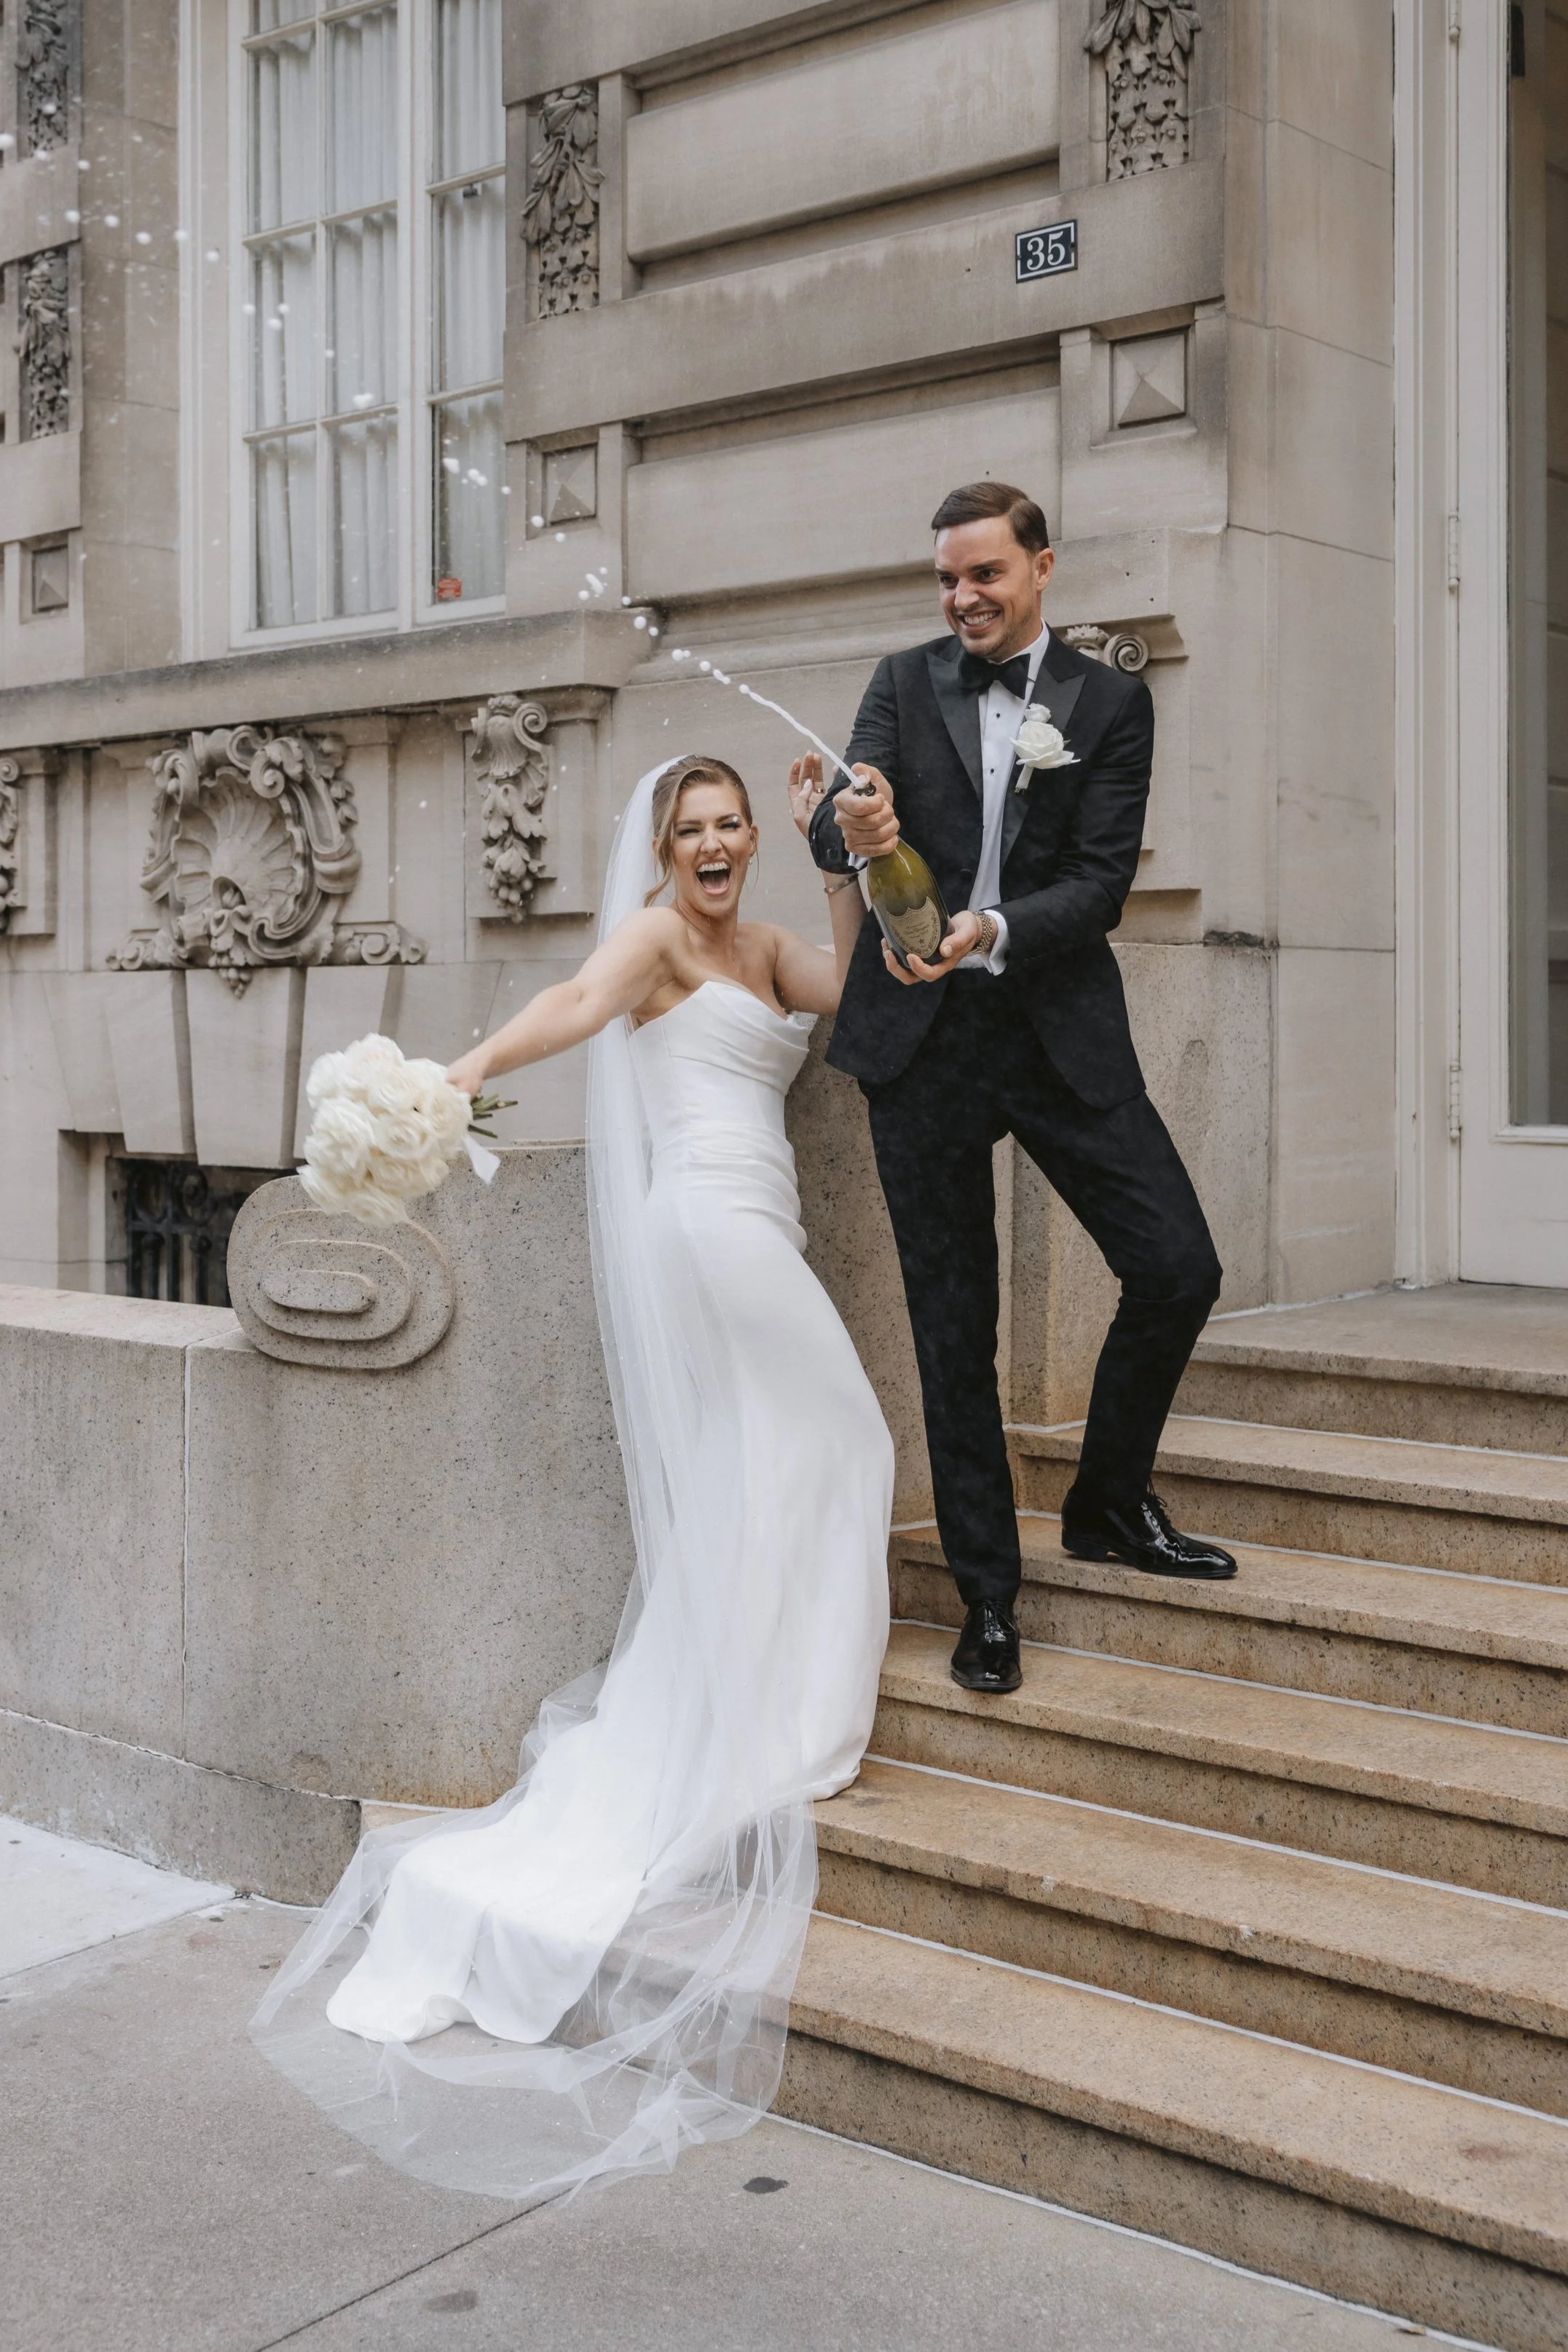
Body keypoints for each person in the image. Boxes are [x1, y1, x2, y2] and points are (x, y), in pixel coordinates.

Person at [251, 753, 894, 2206]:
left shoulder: (769, 944)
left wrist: (846, 855)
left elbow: (857, 997)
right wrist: (464, 1073)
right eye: (692, 832)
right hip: (708, 1231)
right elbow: (575, 1004)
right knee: (844, 1440)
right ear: (662, 851)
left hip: (757, 1226)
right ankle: (776, 1722)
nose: (715, 848)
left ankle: (747, 1707)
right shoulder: (661, 941)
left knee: (777, 1468)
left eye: (733, 829)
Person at [797, 479, 1234, 1702]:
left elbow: (1100, 885)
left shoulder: (1112, 701)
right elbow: (843, 835)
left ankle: (1106, 1502)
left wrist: (989, 925)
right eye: (946, 578)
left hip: (1053, 1027)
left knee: (1178, 1266)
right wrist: (855, 822)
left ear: (1043, 568)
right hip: (920, 1045)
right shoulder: (899, 680)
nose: (962, 597)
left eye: (984, 574)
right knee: (953, 1330)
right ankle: (989, 1596)